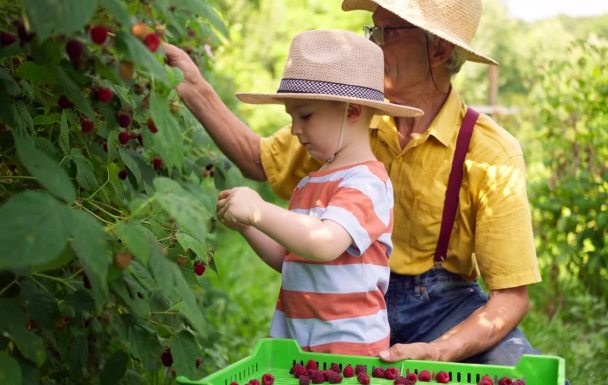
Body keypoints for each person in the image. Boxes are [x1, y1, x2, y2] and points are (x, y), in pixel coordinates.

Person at [165, 0, 541, 366]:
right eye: (371, 30)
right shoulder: (343, 120)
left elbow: (511, 298)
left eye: (386, 32)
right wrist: (194, 87)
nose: (372, 43)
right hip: (343, 301)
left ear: (439, 48)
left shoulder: (489, 152)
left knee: (520, 370)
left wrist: (441, 351)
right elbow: (258, 160)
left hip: (444, 310)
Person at [215, 29, 423, 356]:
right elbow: (292, 259)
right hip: (296, 345)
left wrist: (259, 210)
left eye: (305, 115)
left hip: (348, 352)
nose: (295, 129)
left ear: (352, 110)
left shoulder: (368, 182)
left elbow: (324, 243)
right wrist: (248, 227)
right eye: (292, 117)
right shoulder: (309, 183)